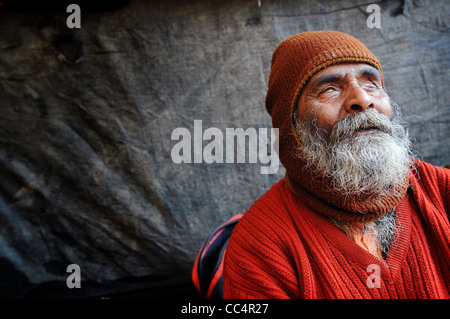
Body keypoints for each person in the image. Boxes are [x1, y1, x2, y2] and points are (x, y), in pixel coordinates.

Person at [222, 31, 449, 299]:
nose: (363, 100)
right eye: (330, 89)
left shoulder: (441, 192)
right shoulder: (261, 246)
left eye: (371, 84)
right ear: (291, 124)